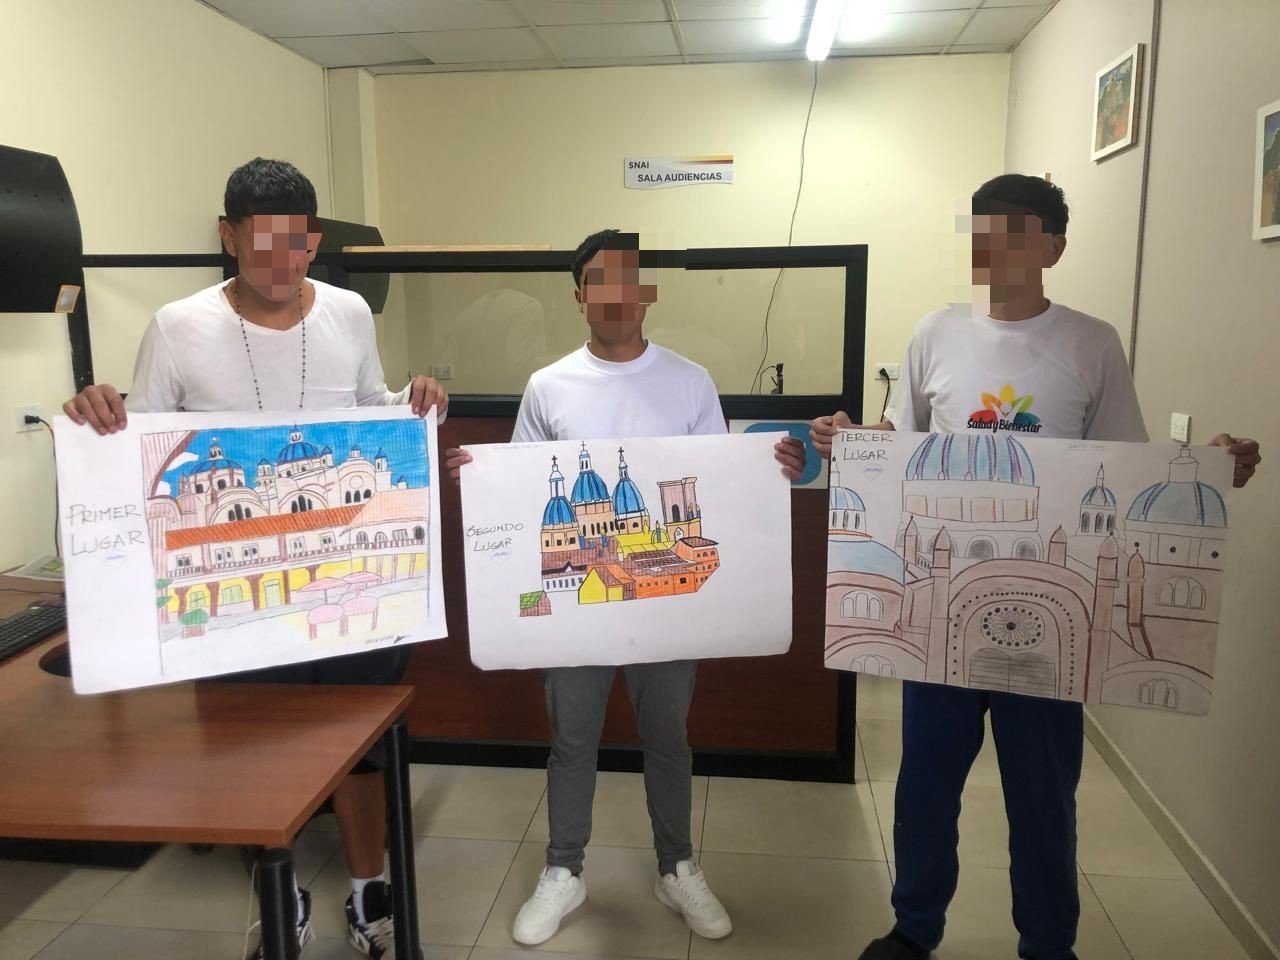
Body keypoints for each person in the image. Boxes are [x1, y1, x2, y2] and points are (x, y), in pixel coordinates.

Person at [811, 174, 1261, 960]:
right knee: (925, 785)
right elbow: (898, 443)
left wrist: (1214, 470)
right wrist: (848, 438)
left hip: (1049, 621)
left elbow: (1125, 469)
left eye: (1016, 230)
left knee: (1043, 795)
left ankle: (1049, 945)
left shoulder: (1093, 343)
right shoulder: (934, 333)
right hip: (944, 613)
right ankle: (914, 928)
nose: (997, 247)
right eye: (983, 230)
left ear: (1053, 245)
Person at [62, 157, 448, 960]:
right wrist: (98, 413)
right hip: (234, 586)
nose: (283, 262)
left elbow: (369, 407)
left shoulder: (348, 312)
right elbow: (143, 445)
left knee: (361, 745)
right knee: (251, 747)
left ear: (315, 242)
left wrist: (412, 402)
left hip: (342, 572)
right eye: (263, 244)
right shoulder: (178, 326)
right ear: (229, 237)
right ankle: (284, 897)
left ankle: (371, 890)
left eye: (298, 245)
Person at [446, 229, 805, 947]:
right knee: (572, 737)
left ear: (646, 293)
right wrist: (477, 479)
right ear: (579, 295)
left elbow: (720, 480)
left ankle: (677, 865)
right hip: (578, 599)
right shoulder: (549, 385)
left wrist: (773, 468)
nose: (616, 295)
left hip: (664, 597)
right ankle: (564, 869)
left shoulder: (690, 380)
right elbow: (520, 485)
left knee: (668, 736)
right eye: (599, 282)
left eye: (628, 280)